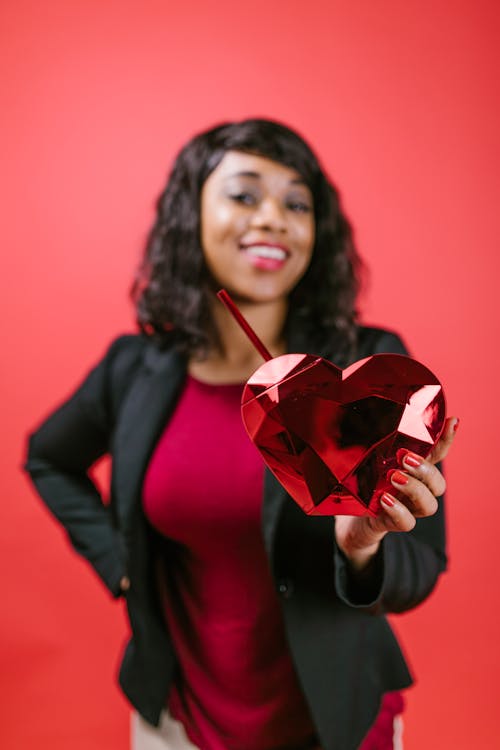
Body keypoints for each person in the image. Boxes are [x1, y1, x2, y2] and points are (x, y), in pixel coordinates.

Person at [24, 118, 457, 750]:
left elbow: (420, 568)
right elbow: (48, 458)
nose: (274, 218)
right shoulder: (134, 370)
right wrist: (120, 564)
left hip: (336, 718)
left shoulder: (368, 370)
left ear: (317, 233)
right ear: (190, 216)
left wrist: (361, 548)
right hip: (178, 718)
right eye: (245, 195)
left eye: (297, 203)